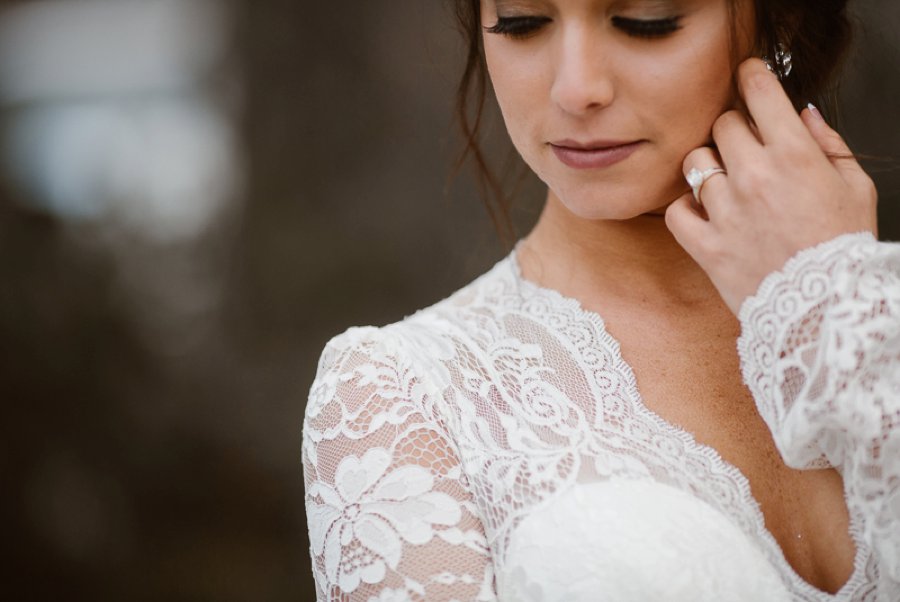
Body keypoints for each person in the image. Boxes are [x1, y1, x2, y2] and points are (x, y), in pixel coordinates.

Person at [302, 0, 899, 599]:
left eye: (646, 21)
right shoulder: (400, 398)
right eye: (521, 23)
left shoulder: (878, 306)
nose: (576, 89)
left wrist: (837, 306)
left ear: (784, 19)